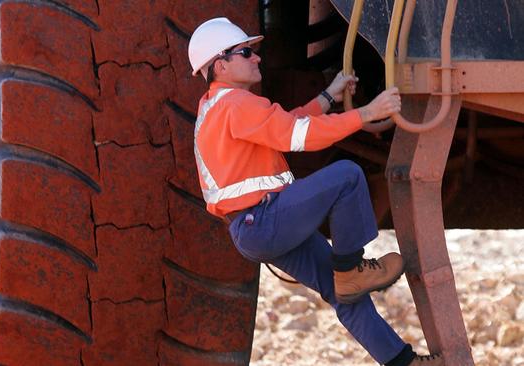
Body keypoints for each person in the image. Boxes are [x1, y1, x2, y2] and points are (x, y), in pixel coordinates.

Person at [187, 17, 443, 366]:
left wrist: (328, 95)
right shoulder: (236, 104)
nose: (257, 58)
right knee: (347, 176)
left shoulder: (216, 107)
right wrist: (366, 113)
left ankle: (403, 362)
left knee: (346, 296)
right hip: (264, 220)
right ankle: (351, 268)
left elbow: (285, 124)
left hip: (255, 228)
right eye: (246, 52)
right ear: (221, 64)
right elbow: (298, 136)